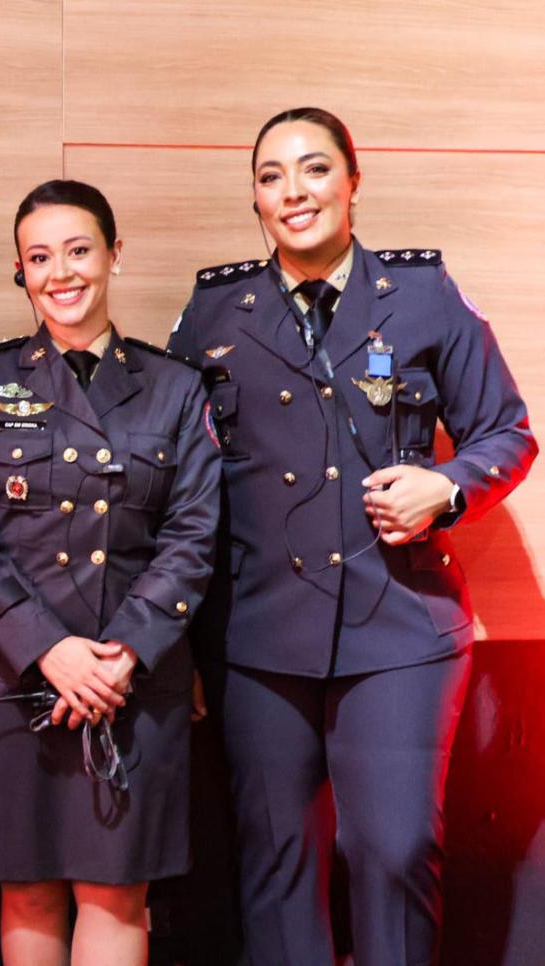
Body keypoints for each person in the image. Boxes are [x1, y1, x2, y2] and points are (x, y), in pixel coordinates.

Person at [167, 107, 537, 965]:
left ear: (353, 181)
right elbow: (179, 473)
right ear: (256, 199)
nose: (293, 191)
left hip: (400, 623)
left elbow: (507, 433)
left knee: (396, 850)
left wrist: (447, 487)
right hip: (257, 633)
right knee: (277, 863)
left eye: (315, 168)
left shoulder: (422, 295)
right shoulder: (214, 311)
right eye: (271, 176)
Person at [0, 179, 219, 965]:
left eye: (78, 250)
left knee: (117, 888)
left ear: (114, 254)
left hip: (135, 675)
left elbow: (193, 533)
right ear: (20, 272)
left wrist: (121, 654)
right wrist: (49, 650)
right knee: (25, 888)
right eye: (38, 257)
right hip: (10, 672)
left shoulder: (174, 386)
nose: (60, 272)